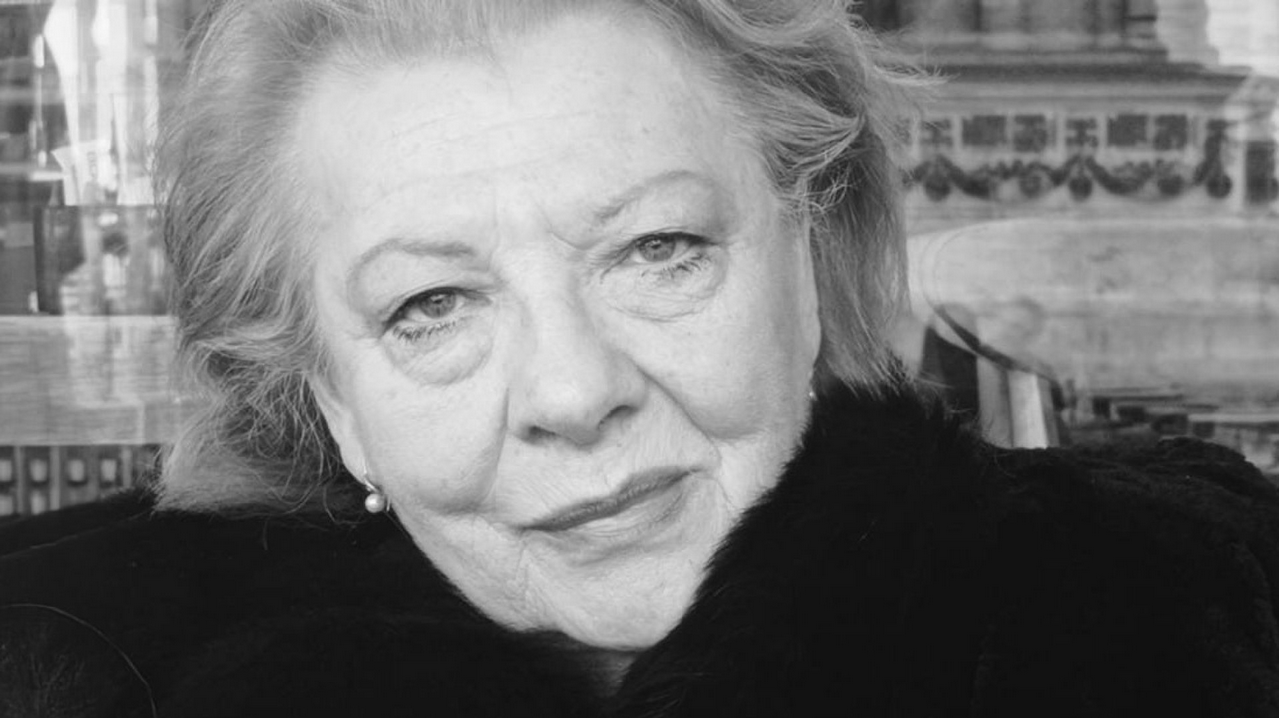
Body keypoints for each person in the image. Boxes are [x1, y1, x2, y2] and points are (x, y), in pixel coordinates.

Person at [1, 1, 1276, 715]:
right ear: (331, 400)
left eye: (657, 249)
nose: (572, 391)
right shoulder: (90, 674)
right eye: (431, 305)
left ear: (811, 250)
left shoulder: (1177, 609)